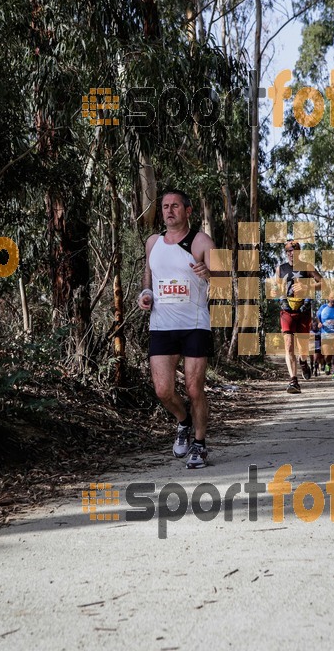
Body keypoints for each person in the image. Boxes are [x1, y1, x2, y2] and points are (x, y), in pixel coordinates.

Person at [138, 188, 215, 468]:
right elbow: (149, 274)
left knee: (195, 389)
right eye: (165, 206)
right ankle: (183, 421)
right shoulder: (153, 243)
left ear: (188, 211)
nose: (169, 211)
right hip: (161, 326)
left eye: (175, 206)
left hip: (195, 326)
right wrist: (145, 293)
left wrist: (209, 272)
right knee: (162, 390)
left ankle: (200, 444)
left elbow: (222, 274)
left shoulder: (200, 241)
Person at [276, 241, 323, 394]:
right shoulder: (280, 268)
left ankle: (303, 361)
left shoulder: (307, 267)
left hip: (303, 311)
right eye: (289, 251)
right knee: (288, 345)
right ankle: (293, 381)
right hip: (287, 311)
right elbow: (277, 289)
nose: (291, 253)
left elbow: (323, 283)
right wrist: (281, 301)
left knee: (303, 349)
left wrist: (308, 287)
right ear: (286, 253)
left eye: (294, 251)